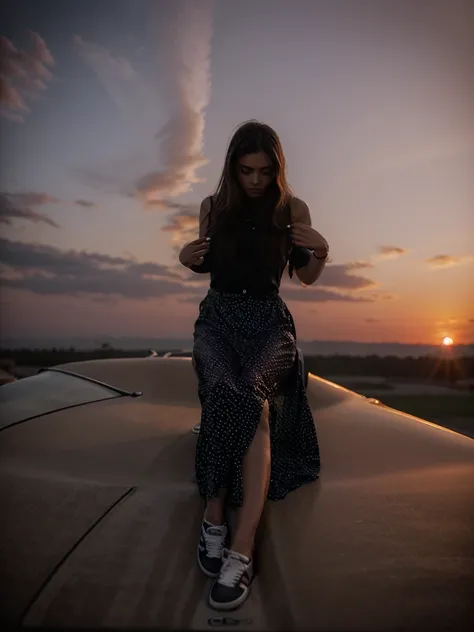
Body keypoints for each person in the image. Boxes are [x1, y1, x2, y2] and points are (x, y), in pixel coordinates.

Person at [178, 120, 328, 611]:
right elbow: (207, 264)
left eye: (265, 171)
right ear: (232, 168)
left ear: (277, 169)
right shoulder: (212, 207)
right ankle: (214, 513)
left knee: (252, 401)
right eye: (247, 171)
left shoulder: (292, 208)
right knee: (222, 388)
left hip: (269, 324)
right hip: (218, 320)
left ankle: (240, 549)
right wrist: (186, 256)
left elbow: (306, 276)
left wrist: (321, 249)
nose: (256, 180)